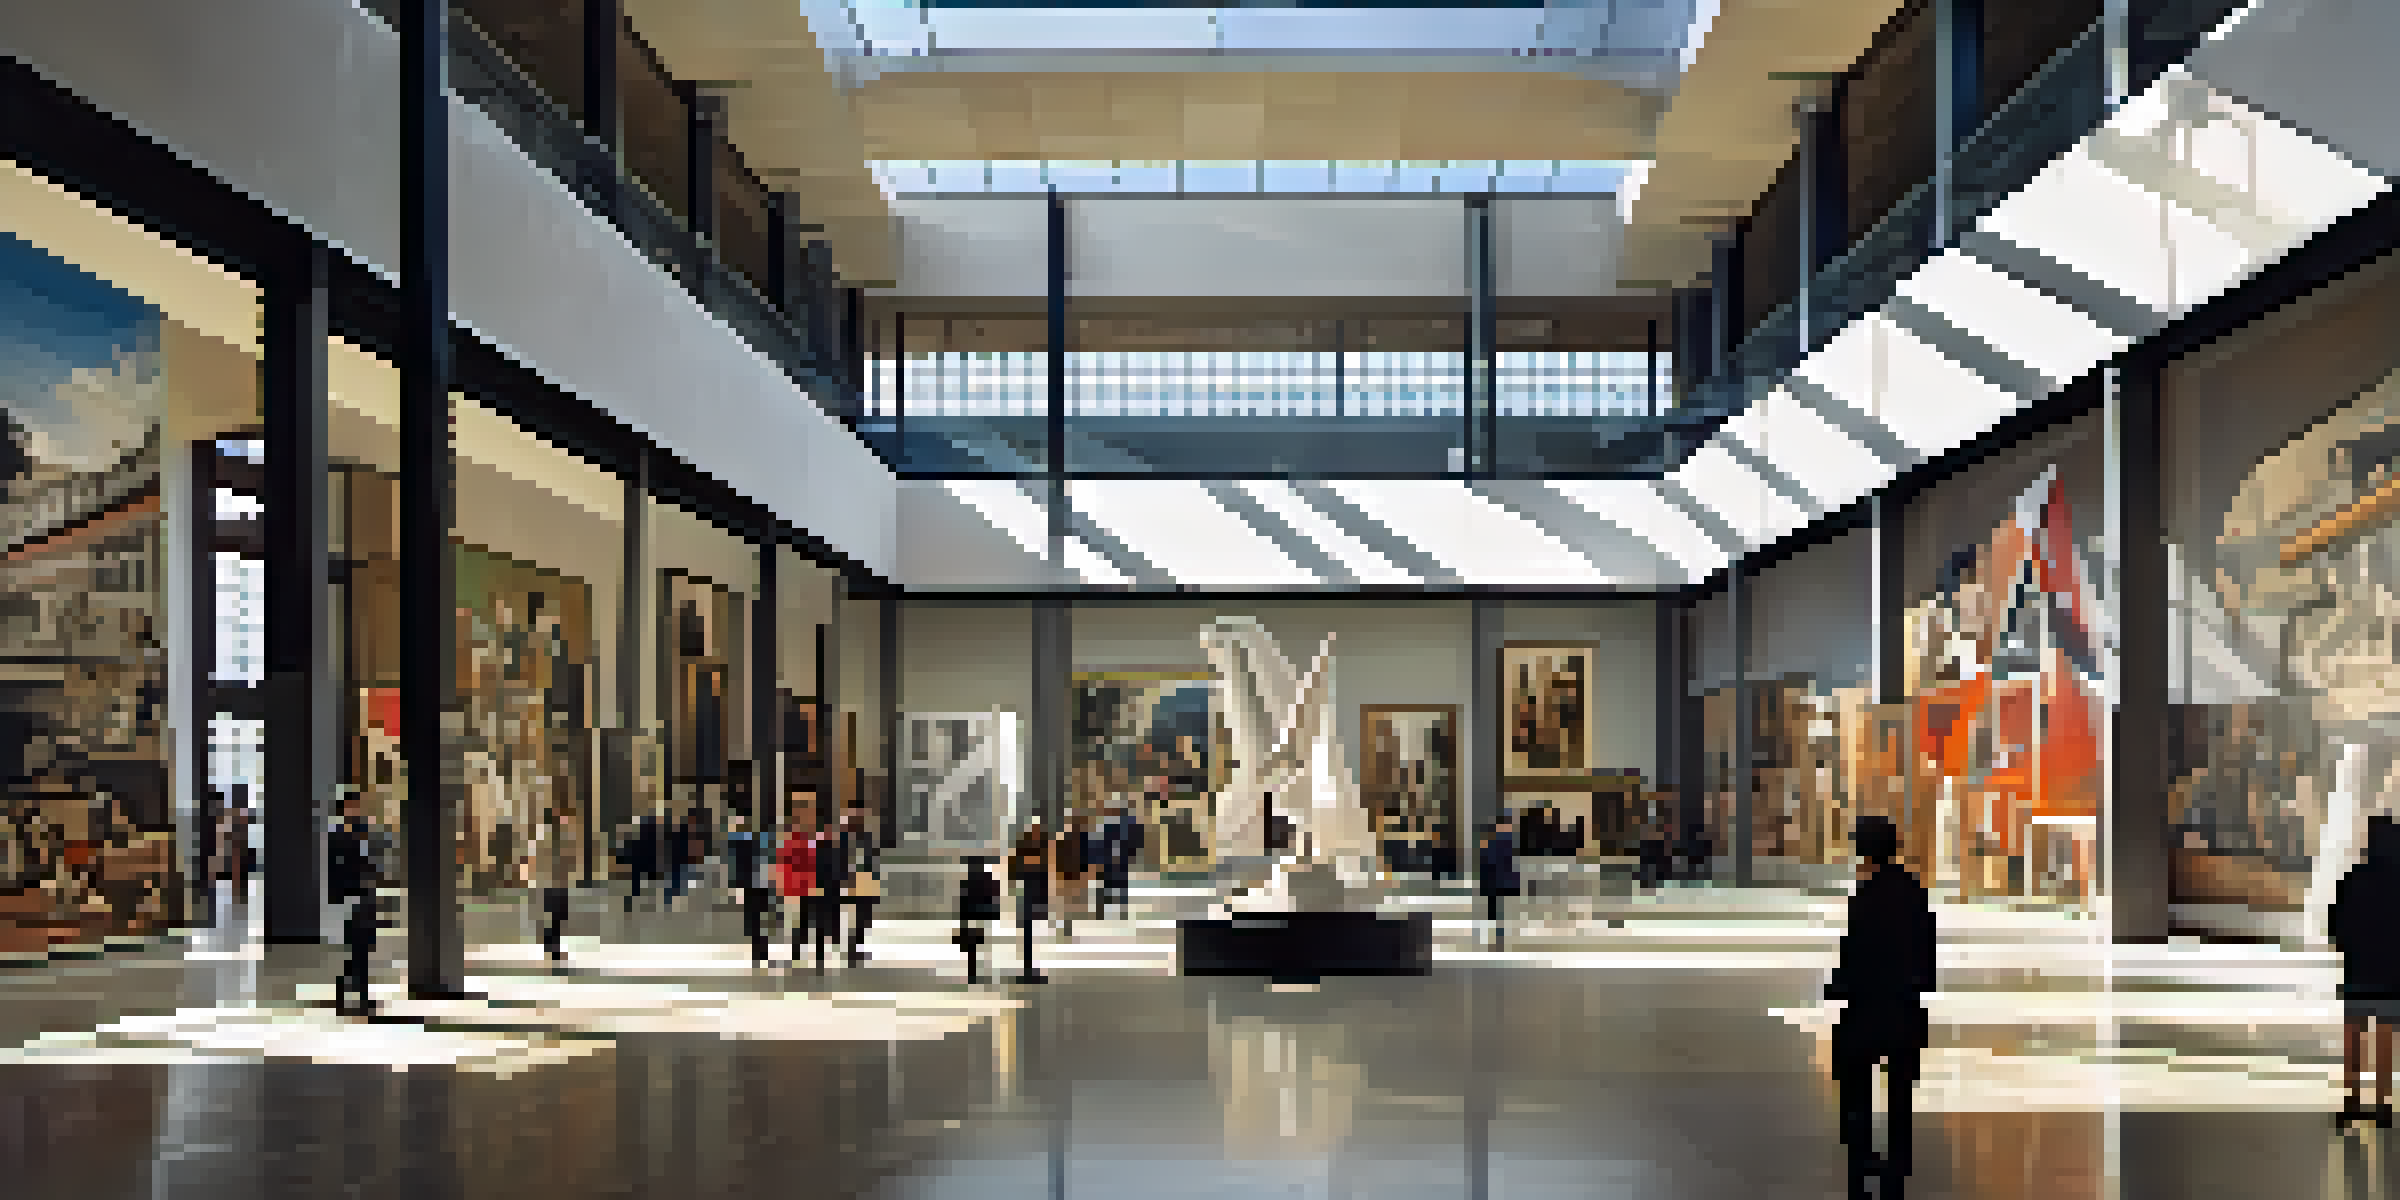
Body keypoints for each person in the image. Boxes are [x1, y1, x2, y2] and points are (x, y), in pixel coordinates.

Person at [1828, 815, 1935, 1200]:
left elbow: (1854, 952)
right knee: (1901, 1090)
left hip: (1867, 1005)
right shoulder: (1913, 890)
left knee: (1855, 1083)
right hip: (1904, 1004)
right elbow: (1926, 948)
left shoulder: (1866, 895)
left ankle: (1862, 1156)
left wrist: (1839, 988)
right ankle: (1898, 1160)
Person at [2332, 814, 2400, 1127]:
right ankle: (2383, 1103)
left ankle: (2352, 1100)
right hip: (2391, 973)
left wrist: (2348, 948)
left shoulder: (2353, 878)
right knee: (2385, 1037)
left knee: (2353, 1037)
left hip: (2357, 970)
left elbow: (2336, 922)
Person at [327, 795, 386, 1016]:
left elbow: (373, 862)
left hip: (366, 897)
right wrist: (338, 896)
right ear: (343, 810)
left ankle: (356, 995)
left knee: (363, 948)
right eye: (351, 807)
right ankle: (349, 995)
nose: (355, 810)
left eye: (357, 807)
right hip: (347, 898)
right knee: (352, 950)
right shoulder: (337, 835)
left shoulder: (365, 832)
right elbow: (333, 869)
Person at [727, 813, 771, 967]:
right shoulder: (741, 840)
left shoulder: (743, 840)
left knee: (756, 919)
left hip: (757, 884)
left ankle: (760, 953)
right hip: (754, 884)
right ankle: (759, 953)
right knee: (756, 919)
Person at [837, 810, 881, 966]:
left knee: (863, 918)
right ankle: (852, 949)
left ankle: (857, 948)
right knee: (851, 918)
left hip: (865, 882)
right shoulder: (842, 839)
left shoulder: (868, 838)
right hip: (850, 882)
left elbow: (873, 862)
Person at [1009, 820, 1051, 983]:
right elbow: (1014, 872)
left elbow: (1046, 873)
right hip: (1027, 897)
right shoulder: (1024, 852)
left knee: (1037, 934)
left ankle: (1032, 969)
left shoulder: (1044, 851)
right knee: (1029, 934)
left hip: (1038, 896)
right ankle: (1028, 969)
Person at [536, 808, 578, 964]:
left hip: (558, 882)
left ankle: (552, 949)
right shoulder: (548, 838)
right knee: (555, 917)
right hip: (552, 882)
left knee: (557, 917)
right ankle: (553, 951)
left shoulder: (561, 838)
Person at [956, 855, 1001, 983]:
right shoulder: (987, 879)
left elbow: (963, 900)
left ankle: (973, 973)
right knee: (981, 945)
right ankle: (976, 973)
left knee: (974, 946)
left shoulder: (967, 880)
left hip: (973, 916)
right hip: (982, 916)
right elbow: (994, 897)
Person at [1479, 813, 1521, 950]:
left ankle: (1498, 938)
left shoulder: (1502, 841)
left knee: (1498, 912)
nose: (1509, 827)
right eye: (1507, 825)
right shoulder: (1500, 841)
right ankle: (1498, 939)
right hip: (1498, 881)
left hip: (1499, 881)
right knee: (1497, 912)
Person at [1055, 815, 1091, 937]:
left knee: (1068, 901)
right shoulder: (1080, 840)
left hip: (1070, 873)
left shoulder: (1069, 839)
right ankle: (1066, 926)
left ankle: (1066, 926)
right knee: (1068, 901)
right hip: (1070, 873)